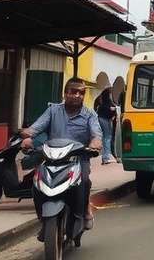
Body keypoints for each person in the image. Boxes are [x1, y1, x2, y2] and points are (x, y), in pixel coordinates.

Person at [21, 77, 102, 230]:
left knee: (85, 182)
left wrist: (95, 145)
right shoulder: (53, 110)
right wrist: (27, 136)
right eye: (73, 92)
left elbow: (96, 135)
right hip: (52, 158)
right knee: (35, 182)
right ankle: (42, 217)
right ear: (65, 93)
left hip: (78, 158)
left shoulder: (90, 114)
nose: (77, 95)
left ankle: (84, 211)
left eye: (81, 92)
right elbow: (36, 127)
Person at [93, 88, 117, 164]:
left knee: (105, 137)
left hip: (102, 118)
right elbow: (106, 109)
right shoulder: (106, 101)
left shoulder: (103, 100)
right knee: (107, 137)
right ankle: (106, 157)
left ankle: (105, 157)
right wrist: (112, 109)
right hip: (104, 119)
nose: (111, 94)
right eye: (110, 92)